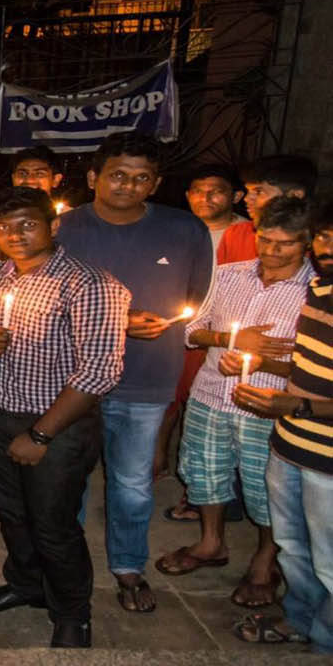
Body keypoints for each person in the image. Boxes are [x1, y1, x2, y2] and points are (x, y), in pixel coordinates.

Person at [54, 133, 212, 613]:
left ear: (156, 184)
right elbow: (45, 301)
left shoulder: (185, 231)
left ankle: (128, 566)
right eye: (118, 175)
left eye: (142, 178)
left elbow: (196, 299)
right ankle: (65, 566)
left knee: (132, 483)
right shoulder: (62, 229)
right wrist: (116, 321)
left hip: (146, 375)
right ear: (93, 177)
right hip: (72, 378)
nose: (128, 185)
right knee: (67, 481)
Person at [0, 186, 129, 649]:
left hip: (56, 425)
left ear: (53, 225)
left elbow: (99, 371)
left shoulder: (90, 284)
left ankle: (72, 613)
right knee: (12, 515)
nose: (15, 235)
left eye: (27, 224)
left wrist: (40, 435)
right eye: (4, 227)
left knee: (53, 523)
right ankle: (27, 585)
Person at [159, 197, 314, 610]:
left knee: (267, 488)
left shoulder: (314, 290)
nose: (271, 251)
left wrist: (265, 362)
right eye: (265, 239)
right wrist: (230, 339)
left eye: (285, 243)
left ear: (306, 242)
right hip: (211, 393)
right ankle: (211, 542)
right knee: (204, 471)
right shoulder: (229, 274)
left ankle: (266, 559)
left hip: (267, 404)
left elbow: (318, 365)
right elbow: (192, 328)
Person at [226, 202, 333, 651]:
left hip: (327, 458)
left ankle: (325, 640)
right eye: (325, 236)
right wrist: (261, 366)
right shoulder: (319, 290)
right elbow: (309, 367)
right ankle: (301, 619)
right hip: (288, 443)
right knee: (293, 546)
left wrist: (299, 404)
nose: (328, 247)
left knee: (329, 560)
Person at [161, 165, 250, 517]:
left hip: (225, 337)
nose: (205, 198)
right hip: (179, 328)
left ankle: (213, 495)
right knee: (170, 400)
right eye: (198, 191)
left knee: (213, 414)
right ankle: (161, 465)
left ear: (236, 196)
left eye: (216, 191)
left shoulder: (248, 235)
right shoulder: (177, 230)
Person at [217, 156, 316, 264]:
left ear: (294, 195)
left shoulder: (320, 242)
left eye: (259, 192)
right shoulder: (236, 234)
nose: (247, 199)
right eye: (248, 191)